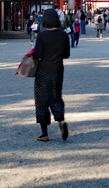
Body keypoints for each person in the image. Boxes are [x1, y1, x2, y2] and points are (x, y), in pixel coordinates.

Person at [32, 9, 70, 141]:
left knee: (42, 100)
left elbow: (37, 55)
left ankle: (44, 134)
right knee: (56, 97)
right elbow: (66, 54)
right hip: (58, 69)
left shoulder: (42, 36)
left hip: (43, 70)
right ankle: (61, 121)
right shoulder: (63, 35)